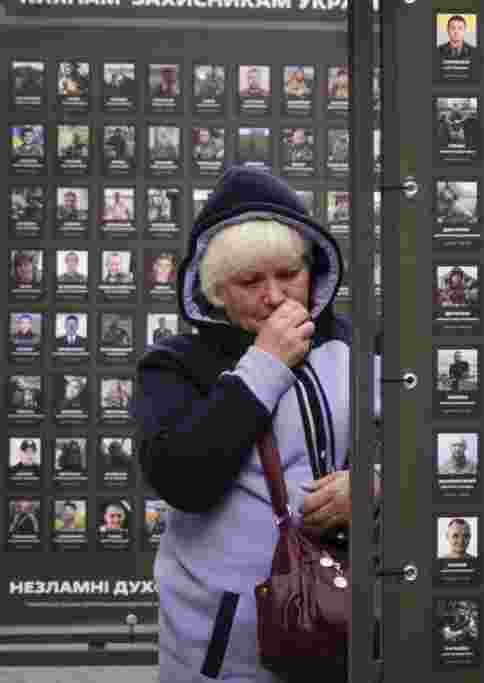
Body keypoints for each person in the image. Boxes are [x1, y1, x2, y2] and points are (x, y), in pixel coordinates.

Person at [131, 167, 370, 681]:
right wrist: (264, 364)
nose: (275, 295)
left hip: (350, 633)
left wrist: (373, 487)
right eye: (250, 281)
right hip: (226, 655)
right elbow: (181, 478)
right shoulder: (173, 364)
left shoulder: (356, 346)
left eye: (289, 274)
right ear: (215, 290)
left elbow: (425, 449)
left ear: (314, 271)